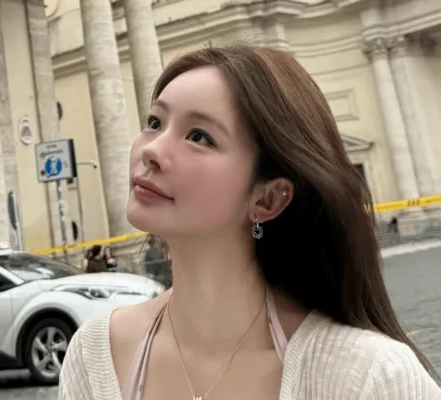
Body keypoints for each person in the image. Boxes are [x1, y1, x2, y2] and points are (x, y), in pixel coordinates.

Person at [58, 44, 441, 399]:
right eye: (154, 122)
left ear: (268, 198)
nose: (151, 150)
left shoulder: (368, 376)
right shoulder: (96, 355)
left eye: (199, 136)